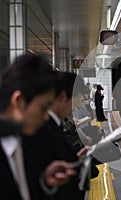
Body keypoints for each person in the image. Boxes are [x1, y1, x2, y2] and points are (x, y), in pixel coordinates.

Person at [0, 54, 75, 200]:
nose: (46, 117)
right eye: (43, 108)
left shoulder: (17, 143)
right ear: (19, 100)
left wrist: (45, 182)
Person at [22, 72, 99, 200]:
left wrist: (75, 160)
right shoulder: (44, 130)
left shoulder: (51, 126)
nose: (75, 108)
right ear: (63, 97)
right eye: (75, 102)